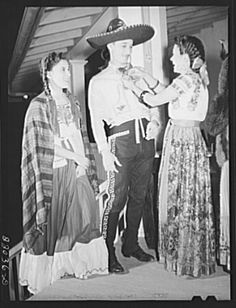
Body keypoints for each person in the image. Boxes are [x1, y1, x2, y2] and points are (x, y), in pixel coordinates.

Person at [123, 35, 216, 277]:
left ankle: (181, 257)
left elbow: (155, 99)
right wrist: (145, 77)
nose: (171, 58)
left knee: (178, 196)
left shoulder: (185, 80)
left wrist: (134, 86)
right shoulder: (195, 79)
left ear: (187, 58)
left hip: (180, 140)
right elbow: (168, 91)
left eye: (175, 54)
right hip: (194, 140)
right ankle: (193, 258)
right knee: (191, 198)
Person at [19, 52, 108, 295]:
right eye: (62, 70)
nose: (68, 74)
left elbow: (79, 134)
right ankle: (56, 270)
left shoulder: (73, 101)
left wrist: (84, 162)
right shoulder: (38, 105)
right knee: (59, 223)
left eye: (69, 69)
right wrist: (74, 157)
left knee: (85, 215)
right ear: (48, 74)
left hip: (77, 166)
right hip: (56, 169)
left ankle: (78, 263)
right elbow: (42, 145)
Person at [86, 18, 161, 274]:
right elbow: (96, 120)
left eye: (130, 46)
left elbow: (153, 103)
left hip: (145, 141)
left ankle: (130, 245)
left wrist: (155, 122)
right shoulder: (98, 81)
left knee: (139, 197)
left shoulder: (138, 73)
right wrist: (105, 153)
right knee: (115, 200)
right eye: (122, 46)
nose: (127, 52)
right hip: (120, 141)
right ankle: (107, 253)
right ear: (110, 48)